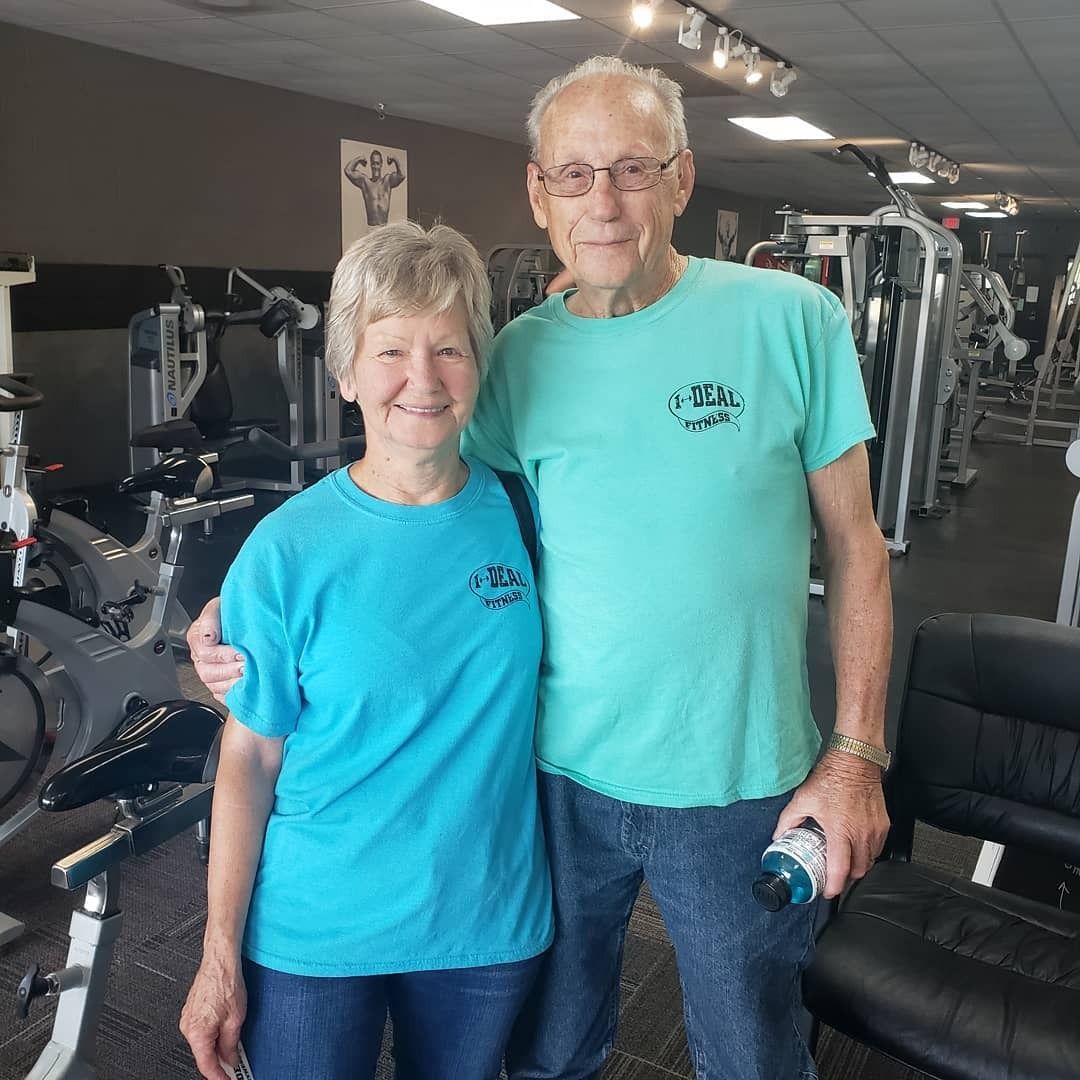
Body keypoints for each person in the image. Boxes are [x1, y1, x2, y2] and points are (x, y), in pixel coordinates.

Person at [190, 56, 892, 1080]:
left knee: (751, 1053)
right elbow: (414, 503)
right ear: (539, 191)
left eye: (632, 170)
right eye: (574, 174)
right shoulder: (517, 357)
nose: (602, 200)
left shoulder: (792, 321)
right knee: (550, 1055)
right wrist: (245, 620)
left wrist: (856, 753)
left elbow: (860, 546)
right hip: (557, 789)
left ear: (683, 180)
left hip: (738, 784)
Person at [179, 221, 552, 1080]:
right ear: (346, 373)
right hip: (317, 928)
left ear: (479, 368)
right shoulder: (284, 549)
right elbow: (250, 758)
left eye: (449, 349)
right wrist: (218, 953)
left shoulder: (530, 517)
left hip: (484, 922)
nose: (422, 379)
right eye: (390, 351)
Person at [344, 148, 406, 226]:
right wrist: (359, 159)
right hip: (371, 228)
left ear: (381, 164)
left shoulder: (387, 181)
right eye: (373, 163)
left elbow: (402, 175)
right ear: (370, 164)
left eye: (377, 163)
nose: (375, 166)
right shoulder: (365, 182)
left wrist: (394, 158)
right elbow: (348, 171)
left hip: (384, 228)